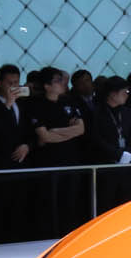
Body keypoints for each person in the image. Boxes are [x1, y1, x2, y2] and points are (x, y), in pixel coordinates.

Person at [29, 67, 87, 234]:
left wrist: (55, 131)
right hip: (48, 162)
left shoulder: (69, 102)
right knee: (49, 204)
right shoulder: (36, 105)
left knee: (70, 203)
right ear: (47, 86)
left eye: (62, 80)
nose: (62, 84)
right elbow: (44, 136)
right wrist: (65, 133)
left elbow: (81, 129)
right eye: (58, 81)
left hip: (71, 160)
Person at [0, 64, 33, 242]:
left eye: (16, 82)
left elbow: (30, 131)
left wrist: (27, 145)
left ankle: (18, 241)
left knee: (20, 208)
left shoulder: (24, 104)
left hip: (21, 164)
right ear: (0, 83)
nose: (14, 86)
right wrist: (7, 105)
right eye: (10, 83)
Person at [89, 76, 131, 210]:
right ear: (112, 94)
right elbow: (96, 138)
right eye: (124, 92)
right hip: (106, 164)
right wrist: (117, 154)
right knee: (106, 201)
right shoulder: (96, 112)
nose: (127, 95)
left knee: (127, 201)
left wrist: (129, 152)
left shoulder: (127, 111)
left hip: (127, 163)